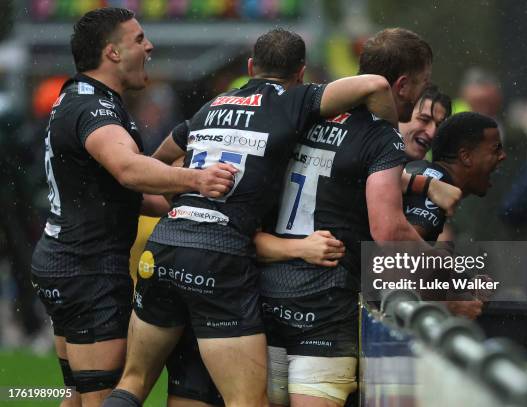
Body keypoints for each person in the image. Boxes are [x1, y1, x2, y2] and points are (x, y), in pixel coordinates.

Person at [103, 28, 408, 407]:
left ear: (250, 66)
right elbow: (375, 84)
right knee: (246, 400)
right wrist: (388, 139)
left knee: (133, 382)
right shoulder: (295, 101)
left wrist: (182, 196)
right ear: (301, 72)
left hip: (165, 244)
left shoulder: (212, 105)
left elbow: (156, 164)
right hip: (219, 255)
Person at [29, 7, 237, 407]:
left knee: (76, 396)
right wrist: (197, 178)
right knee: (104, 398)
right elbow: (126, 169)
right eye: (139, 40)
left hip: (64, 261)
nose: (150, 46)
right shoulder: (95, 109)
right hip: (88, 270)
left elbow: (116, 190)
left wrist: (185, 206)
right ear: (112, 53)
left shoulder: (80, 97)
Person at [254, 28, 462, 407]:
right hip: (323, 304)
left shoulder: (305, 111)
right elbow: (389, 231)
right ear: (401, 84)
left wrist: (421, 185)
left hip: (264, 296)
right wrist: (447, 268)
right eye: (422, 85)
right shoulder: (381, 136)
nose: (421, 94)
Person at [403, 112, 506, 318]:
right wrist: (450, 305)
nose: (503, 156)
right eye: (495, 149)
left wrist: (463, 281)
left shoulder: (424, 171)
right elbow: (395, 262)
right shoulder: (436, 188)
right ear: (466, 157)